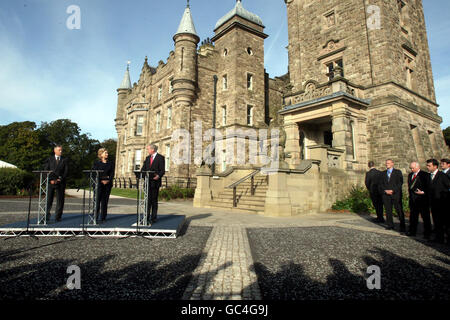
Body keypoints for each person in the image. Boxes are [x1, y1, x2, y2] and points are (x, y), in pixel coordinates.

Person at [43, 145, 69, 222]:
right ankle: (46, 216)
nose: (61, 151)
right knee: (49, 200)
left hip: (60, 182)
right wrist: (50, 179)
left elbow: (66, 171)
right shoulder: (49, 159)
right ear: (55, 151)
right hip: (51, 182)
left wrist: (60, 179)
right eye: (59, 150)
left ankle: (58, 216)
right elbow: (46, 170)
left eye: (61, 150)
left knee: (60, 200)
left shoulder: (65, 160)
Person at [427, 159, 450, 243]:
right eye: (427, 165)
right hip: (433, 203)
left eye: (429, 166)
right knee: (436, 221)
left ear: (435, 166)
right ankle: (439, 238)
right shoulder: (429, 176)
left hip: (442, 203)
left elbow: (448, 186)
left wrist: (444, 196)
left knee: (445, 221)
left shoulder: (442, 175)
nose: (427, 167)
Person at [406, 162, 431, 239]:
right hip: (413, 200)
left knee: (425, 217)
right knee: (413, 217)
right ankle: (412, 231)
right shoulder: (410, 175)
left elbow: (429, 187)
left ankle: (427, 233)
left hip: (422, 199)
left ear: (418, 167)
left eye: (413, 168)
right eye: (411, 168)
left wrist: (423, 192)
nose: (412, 169)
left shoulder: (425, 175)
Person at [141, 144, 165, 225]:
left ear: (152, 149)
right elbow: (143, 169)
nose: (147, 151)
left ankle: (153, 218)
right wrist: (141, 174)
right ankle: (146, 217)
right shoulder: (147, 158)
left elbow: (162, 170)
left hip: (155, 182)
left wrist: (158, 176)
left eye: (148, 149)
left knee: (154, 201)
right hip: (147, 182)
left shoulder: (160, 158)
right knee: (147, 201)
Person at [378, 159, 405, 231]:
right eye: (386, 163)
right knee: (388, 210)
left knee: (399, 210)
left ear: (392, 164)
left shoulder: (397, 172)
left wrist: (393, 190)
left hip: (395, 195)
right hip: (386, 195)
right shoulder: (382, 173)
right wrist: (385, 191)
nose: (387, 164)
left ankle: (402, 226)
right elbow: (380, 184)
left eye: (388, 163)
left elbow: (400, 183)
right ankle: (390, 225)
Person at [92, 148, 114, 223]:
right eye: (105, 153)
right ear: (101, 154)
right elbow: (95, 173)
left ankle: (103, 217)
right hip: (98, 184)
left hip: (107, 185)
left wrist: (108, 180)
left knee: (105, 202)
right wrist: (101, 180)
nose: (107, 154)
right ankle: (95, 217)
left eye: (107, 153)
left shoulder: (110, 163)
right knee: (97, 201)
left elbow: (111, 174)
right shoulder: (96, 163)